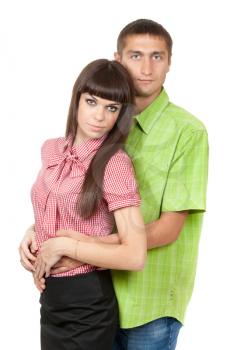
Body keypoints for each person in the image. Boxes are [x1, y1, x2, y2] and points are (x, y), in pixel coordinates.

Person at [19, 19, 209, 350]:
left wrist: (77, 247)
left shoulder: (187, 132)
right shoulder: (101, 132)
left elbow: (168, 228)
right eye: (136, 55)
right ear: (118, 59)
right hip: (90, 290)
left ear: (170, 63)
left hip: (146, 300)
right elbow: (83, 203)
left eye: (157, 57)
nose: (146, 68)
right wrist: (39, 231)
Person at [20, 58, 147, 350]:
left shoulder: (114, 163)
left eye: (111, 108)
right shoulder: (52, 149)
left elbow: (135, 254)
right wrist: (32, 234)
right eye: (92, 101)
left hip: (87, 302)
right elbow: (56, 207)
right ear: (77, 99)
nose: (99, 116)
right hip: (52, 300)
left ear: (120, 114)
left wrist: (65, 246)